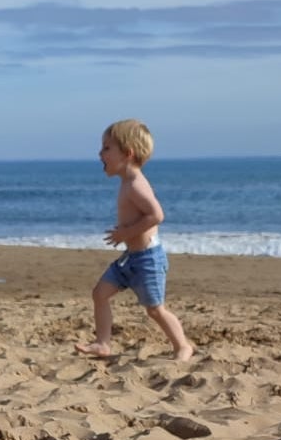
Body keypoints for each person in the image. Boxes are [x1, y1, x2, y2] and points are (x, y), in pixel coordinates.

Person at [75, 119, 194, 363]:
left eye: (107, 148)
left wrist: (126, 233)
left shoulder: (136, 186)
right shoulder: (126, 183)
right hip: (130, 259)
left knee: (155, 309)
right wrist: (127, 235)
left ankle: (183, 346)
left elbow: (157, 215)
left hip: (148, 259)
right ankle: (103, 343)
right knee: (100, 294)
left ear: (127, 154)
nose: (100, 154)